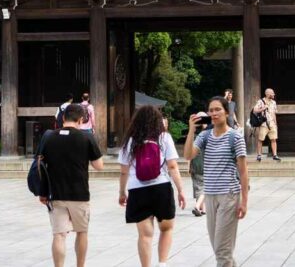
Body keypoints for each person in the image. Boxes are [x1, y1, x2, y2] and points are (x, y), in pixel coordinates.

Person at [184, 95, 249, 267]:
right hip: (210, 195)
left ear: (227, 112)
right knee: (218, 247)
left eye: (218, 109)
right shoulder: (205, 136)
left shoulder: (235, 137)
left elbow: (243, 172)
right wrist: (191, 130)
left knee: (222, 250)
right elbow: (188, 155)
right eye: (210, 110)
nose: (214, 113)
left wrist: (244, 202)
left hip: (229, 196)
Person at [117, 106, 186, 267]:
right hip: (161, 187)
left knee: (145, 235)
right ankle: (162, 264)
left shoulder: (129, 141)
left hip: (137, 189)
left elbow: (123, 172)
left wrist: (122, 192)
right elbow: (173, 167)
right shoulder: (164, 137)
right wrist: (180, 190)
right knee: (166, 229)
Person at [40, 103, 104, 267]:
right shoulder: (86, 137)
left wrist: (42, 192)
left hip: (55, 193)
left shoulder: (48, 137)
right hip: (79, 193)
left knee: (59, 235)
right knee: (82, 232)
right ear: (81, 119)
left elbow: (40, 165)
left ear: (63, 117)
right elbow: (99, 166)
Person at [253, 88, 280, 162]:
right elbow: (254, 110)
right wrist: (262, 109)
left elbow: (274, 113)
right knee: (260, 139)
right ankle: (259, 155)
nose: (274, 94)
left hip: (272, 123)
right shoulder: (261, 101)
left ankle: (275, 155)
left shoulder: (273, 102)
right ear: (267, 94)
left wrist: (275, 124)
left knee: (274, 139)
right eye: (272, 93)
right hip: (264, 124)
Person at [189, 120, 208, 216]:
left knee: (198, 188)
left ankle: (203, 209)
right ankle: (197, 206)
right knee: (205, 188)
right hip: (203, 166)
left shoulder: (193, 137)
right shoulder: (206, 137)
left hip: (195, 166)